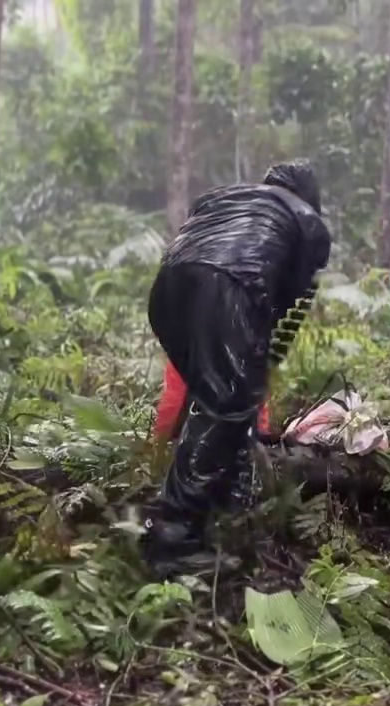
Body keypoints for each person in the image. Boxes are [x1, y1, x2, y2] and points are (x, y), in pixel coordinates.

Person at [141, 160, 331, 575]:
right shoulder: (307, 222)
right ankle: (173, 539)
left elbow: (192, 243)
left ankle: (220, 501)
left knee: (217, 400)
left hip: (168, 291)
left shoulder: (222, 198)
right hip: (224, 289)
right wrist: (257, 362)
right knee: (224, 409)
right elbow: (286, 303)